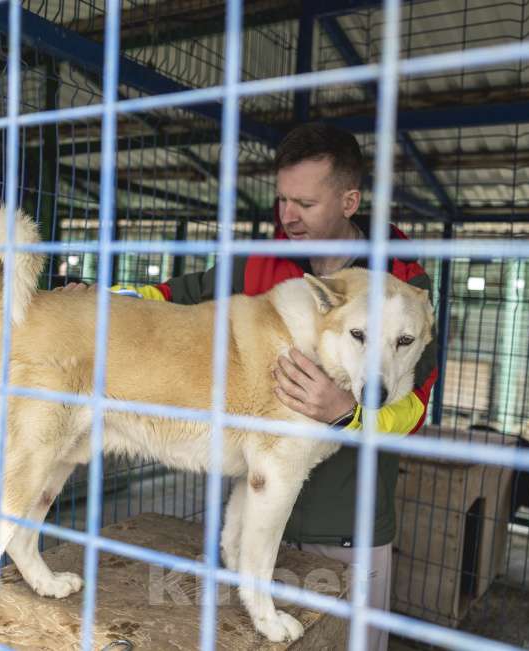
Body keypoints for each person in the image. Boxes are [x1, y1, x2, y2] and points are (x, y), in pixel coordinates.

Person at [63, 122, 436, 650]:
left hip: (343, 526)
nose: (288, 215)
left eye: (305, 203)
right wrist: (100, 297)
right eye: (282, 199)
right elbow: (173, 296)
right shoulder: (263, 260)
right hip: (257, 515)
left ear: (349, 201)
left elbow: (416, 409)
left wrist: (345, 412)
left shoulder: (405, 288)